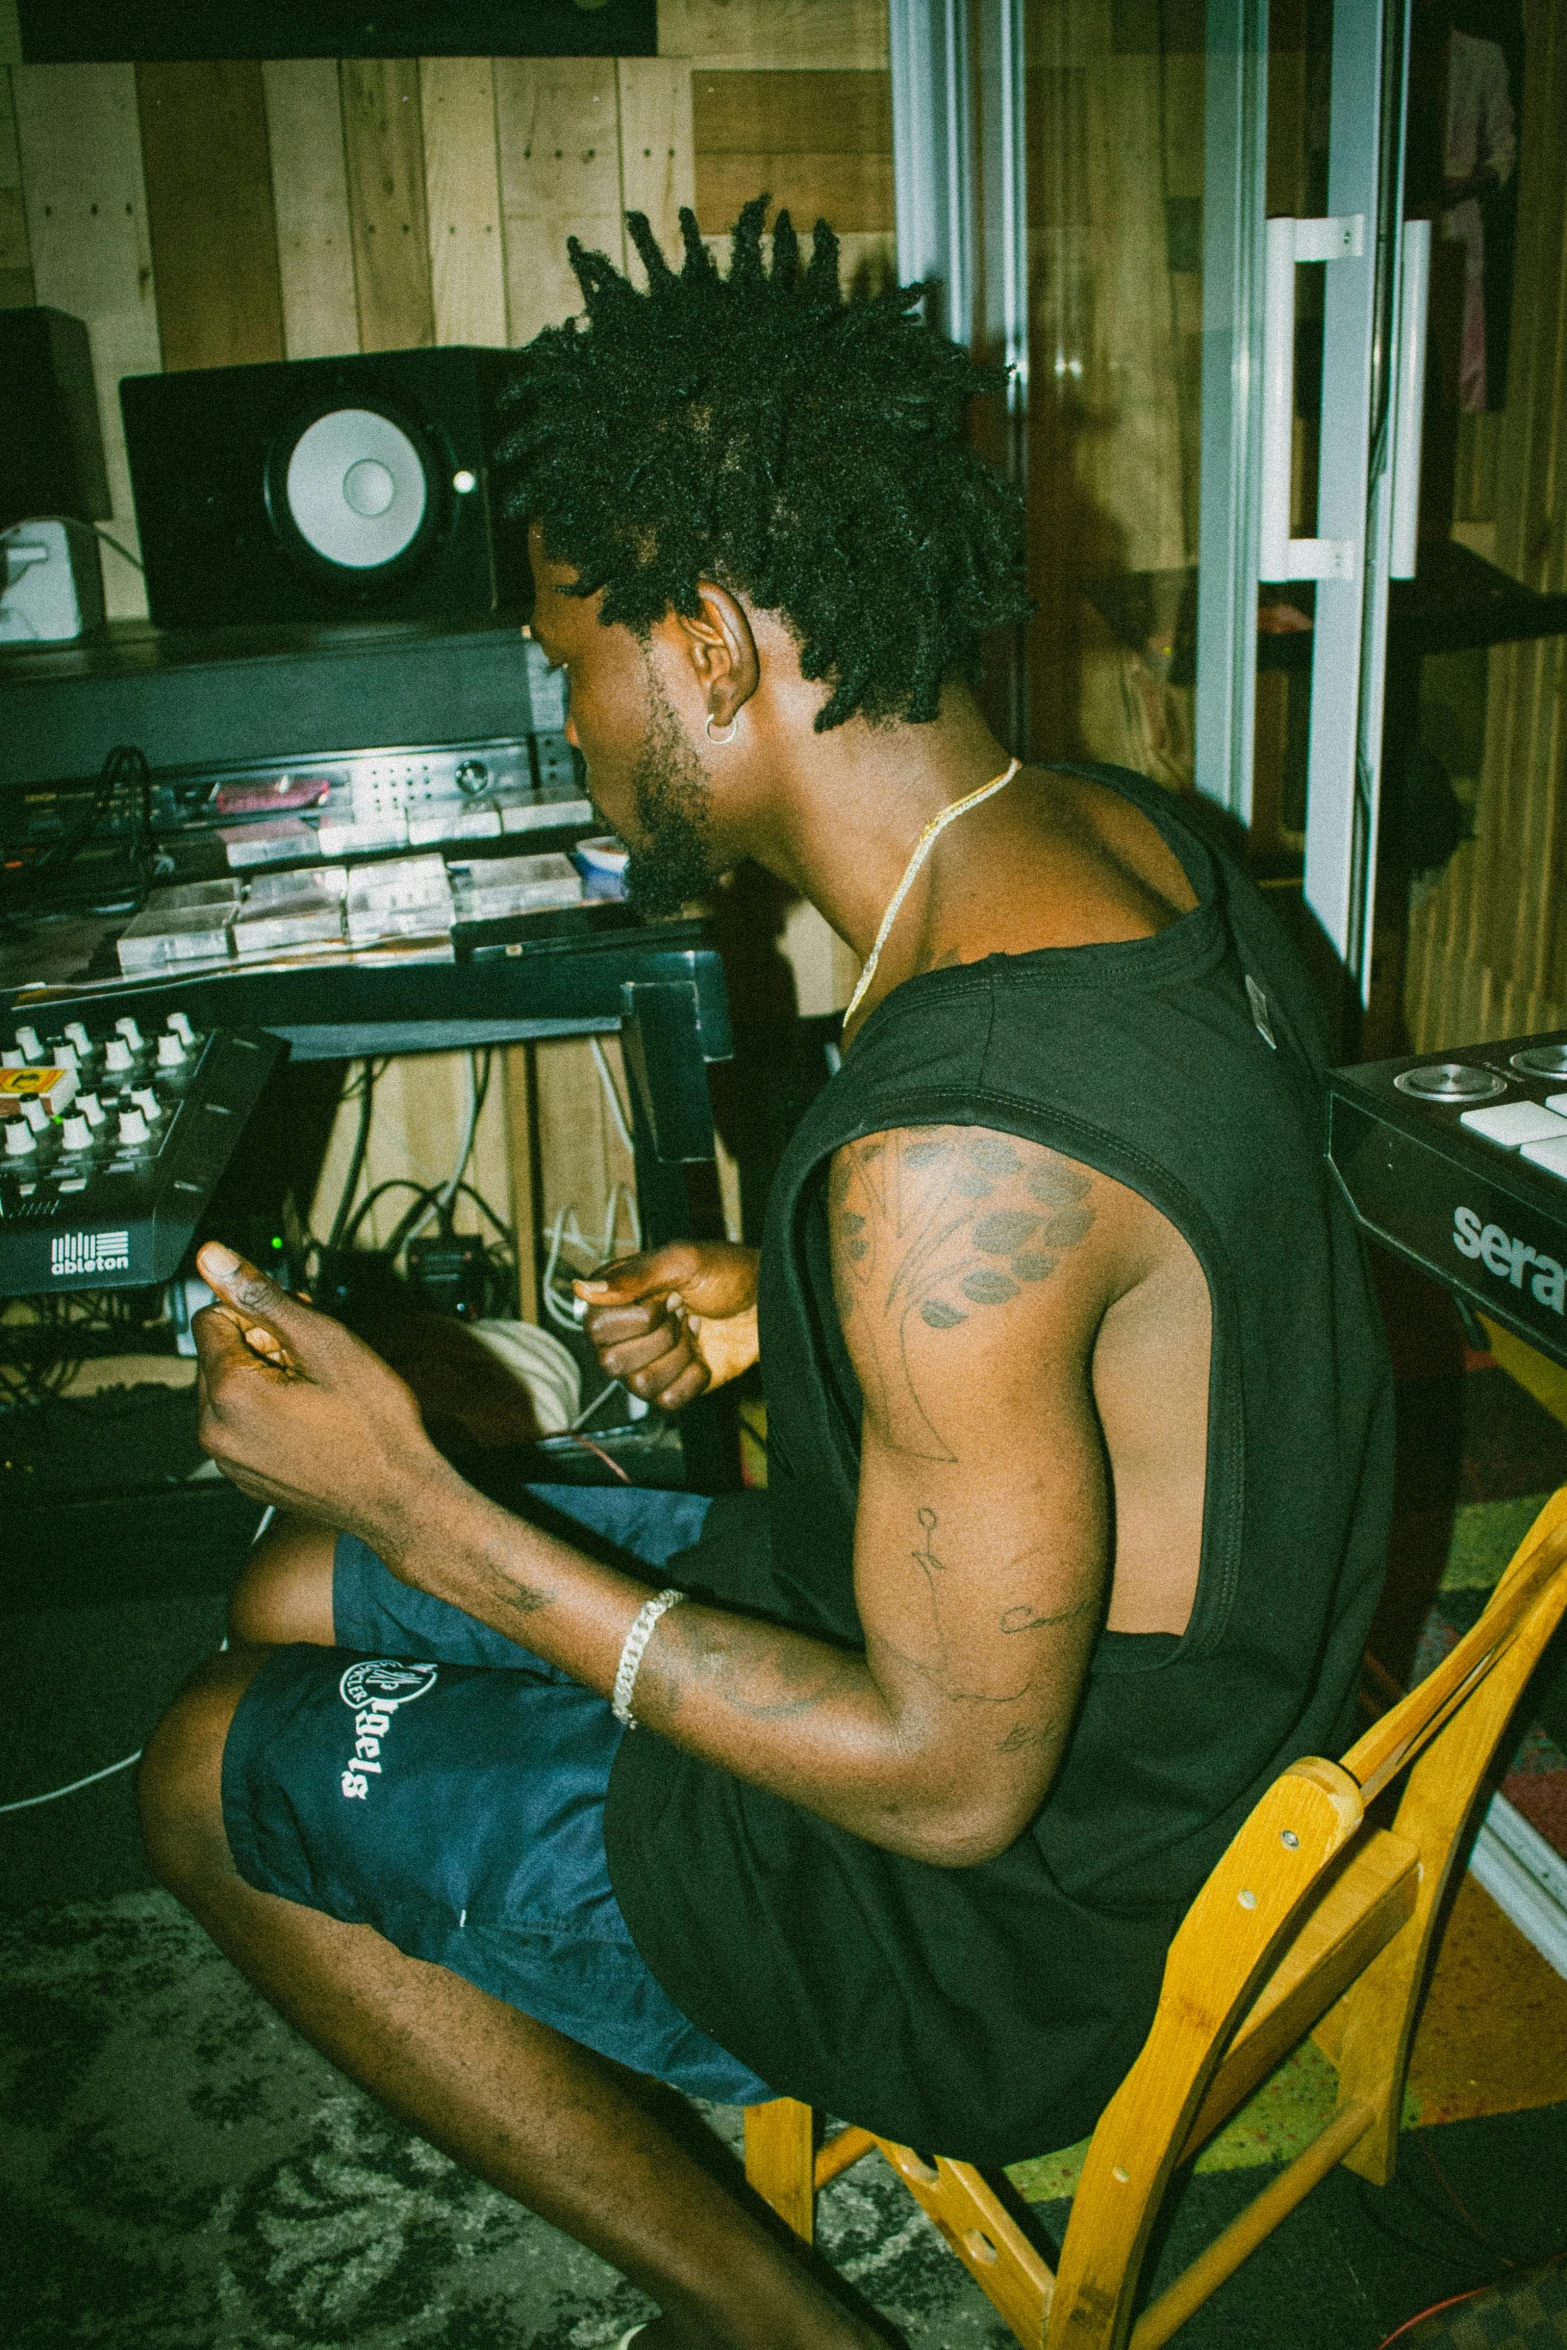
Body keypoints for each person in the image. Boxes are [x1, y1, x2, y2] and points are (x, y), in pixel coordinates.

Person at [139, 201, 1394, 2350]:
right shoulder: (1123, 840)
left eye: (572, 653)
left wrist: (417, 1495)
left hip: (994, 1908)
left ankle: (773, 2313)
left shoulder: (952, 1155)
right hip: (1119, 1674)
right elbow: (1115, 1308)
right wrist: (768, 1310)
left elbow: (943, 1773)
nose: (568, 707)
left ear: (710, 643)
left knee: (201, 1759)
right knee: (284, 1580)